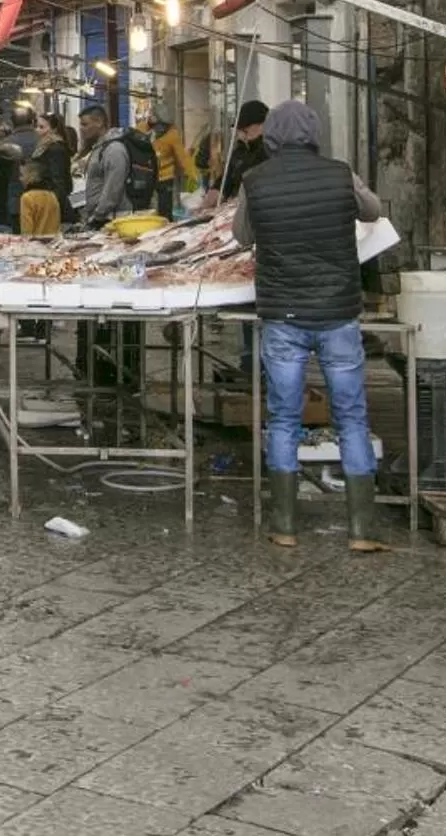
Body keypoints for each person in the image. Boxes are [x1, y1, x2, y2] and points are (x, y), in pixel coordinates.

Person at [229, 100, 388, 552]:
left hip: (283, 315)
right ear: (314, 133)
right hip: (337, 312)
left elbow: (242, 236)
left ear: (272, 136)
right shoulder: (340, 174)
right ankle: (361, 529)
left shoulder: (254, 179)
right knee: (351, 417)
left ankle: (284, 524)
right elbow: (373, 210)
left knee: (283, 418)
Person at [76, 105, 157, 227]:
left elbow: (113, 189)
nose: (81, 129)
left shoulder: (113, 150)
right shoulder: (101, 148)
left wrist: (97, 216)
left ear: (99, 122)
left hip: (114, 219)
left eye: (85, 124)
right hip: (105, 218)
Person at [19, 112, 73, 236]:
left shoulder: (55, 148)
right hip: (46, 205)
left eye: (42, 127)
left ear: (53, 129)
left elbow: (59, 181)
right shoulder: (43, 147)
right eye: (36, 126)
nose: (37, 130)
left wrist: (50, 206)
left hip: (52, 209)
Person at [206, 101, 270, 205]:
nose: (241, 134)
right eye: (239, 129)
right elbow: (227, 177)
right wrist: (216, 189)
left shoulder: (270, 151)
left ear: (262, 125)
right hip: (235, 208)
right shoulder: (239, 150)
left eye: (245, 130)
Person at [150, 113, 199, 218]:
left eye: (163, 126)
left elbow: (183, 157)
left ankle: (166, 222)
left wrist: (193, 175)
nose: (159, 129)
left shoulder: (172, 135)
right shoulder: (148, 131)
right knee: (150, 208)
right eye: (157, 125)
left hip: (165, 177)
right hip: (150, 175)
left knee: (165, 208)